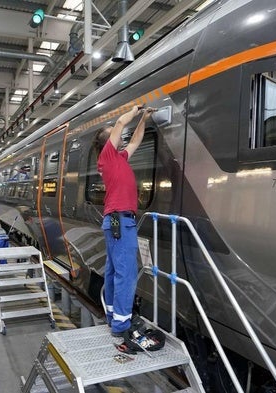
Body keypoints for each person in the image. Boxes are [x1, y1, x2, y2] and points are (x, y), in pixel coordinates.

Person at [95, 104, 154, 339]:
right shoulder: (107, 156)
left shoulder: (119, 157)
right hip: (121, 220)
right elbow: (120, 124)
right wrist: (135, 110)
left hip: (116, 221)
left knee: (113, 271)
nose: (118, 134)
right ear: (107, 141)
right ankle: (121, 324)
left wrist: (144, 120)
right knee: (126, 273)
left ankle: (113, 316)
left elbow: (135, 141)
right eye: (112, 134)